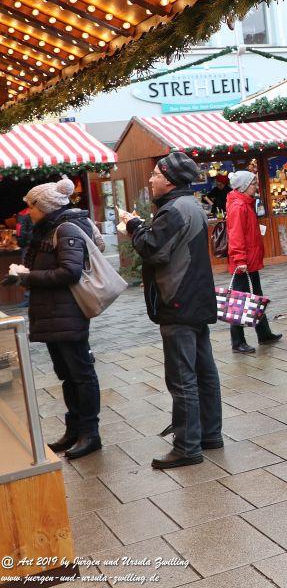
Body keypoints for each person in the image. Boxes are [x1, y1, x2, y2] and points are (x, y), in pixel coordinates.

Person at [123, 152, 222, 469]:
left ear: (169, 178)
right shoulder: (189, 204)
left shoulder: (175, 209)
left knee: (182, 380)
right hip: (195, 300)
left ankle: (187, 447)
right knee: (204, 374)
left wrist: (134, 225)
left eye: (154, 174)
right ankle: (210, 435)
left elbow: (154, 250)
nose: (150, 179)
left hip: (177, 301)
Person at [12, 178, 104, 460]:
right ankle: (74, 429)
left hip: (69, 312)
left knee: (80, 373)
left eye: (31, 207)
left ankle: (90, 433)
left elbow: (69, 272)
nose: (28, 212)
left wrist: (29, 277)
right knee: (67, 374)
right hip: (53, 312)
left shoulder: (65, 229)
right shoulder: (48, 229)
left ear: (44, 206)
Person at [225, 170, 281, 353]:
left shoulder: (245, 204)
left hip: (250, 261)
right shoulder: (239, 206)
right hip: (243, 263)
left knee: (256, 296)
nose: (256, 186)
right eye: (253, 184)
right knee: (239, 301)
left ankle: (263, 333)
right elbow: (236, 235)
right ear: (243, 186)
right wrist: (240, 258)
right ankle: (237, 341)